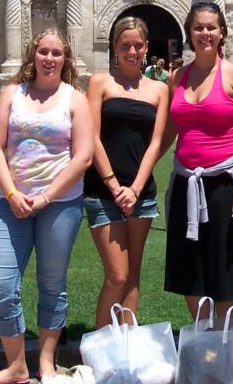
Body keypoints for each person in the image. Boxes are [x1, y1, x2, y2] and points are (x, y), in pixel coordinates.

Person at [0, 30, 93, 384]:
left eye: (56, 53)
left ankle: (45, 360)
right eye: (43, 51)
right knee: (0, 283)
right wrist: (12, 193)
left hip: (60, 204)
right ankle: (16, 365)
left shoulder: (75, 99)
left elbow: (83, 156)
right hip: (12, 202)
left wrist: (46, 196)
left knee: (52, 284)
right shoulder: (12, 94)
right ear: (33, 55)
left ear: (65, 59)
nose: (49, 58)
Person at [161, 1, 233, 319]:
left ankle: (225, 343)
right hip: (185, 183)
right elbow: (167, 133)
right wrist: (139, 173)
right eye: (199, 27)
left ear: (222, 33)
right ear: (189, 33)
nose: (205, 33)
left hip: (224, 186)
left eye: (211, 27)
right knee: (190, 270)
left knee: (225, 270)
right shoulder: (177, 78)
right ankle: (204, 342)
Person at [84, 17, 167, 327]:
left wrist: (134, 188)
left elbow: (156, 143)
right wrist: (115, 185)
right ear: (114, 48)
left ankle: (129, 346)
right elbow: (91, 137)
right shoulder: (100, 82)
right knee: (116, 275)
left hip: (141, 194)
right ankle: (100, 346)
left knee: (133, 272)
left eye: (137, 45)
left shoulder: (159, 89)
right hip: (103, 191)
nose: (132, 51)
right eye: (125, 46)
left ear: (146, 47)